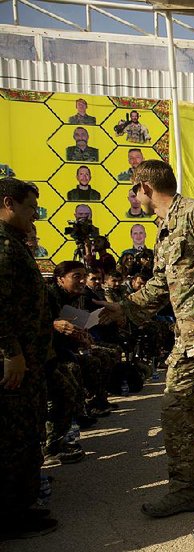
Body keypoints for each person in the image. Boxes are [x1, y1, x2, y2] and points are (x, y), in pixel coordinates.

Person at [98, 159, 194, 542]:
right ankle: (185, 490)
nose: (134, 198)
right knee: (175, 416)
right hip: (186, 342)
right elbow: (159, 285)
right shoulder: (164, 230)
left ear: (145, 189)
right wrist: (124, 308)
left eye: (134, 190)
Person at [0, 178, 57, 539]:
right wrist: (12, 353)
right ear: (9, 202)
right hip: (15, 361)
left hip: (28, 357)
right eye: (30, 207)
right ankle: (11, 516)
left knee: (25, 432)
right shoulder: (3, 248)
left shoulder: (13, 244)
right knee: (14, 437)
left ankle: (21, 506)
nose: (34, 214)